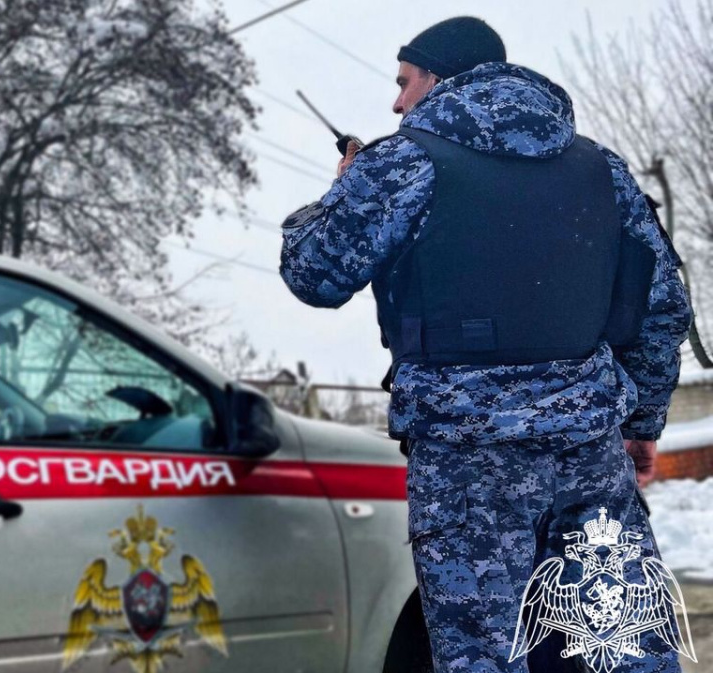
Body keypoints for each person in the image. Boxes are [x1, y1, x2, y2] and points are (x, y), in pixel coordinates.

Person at [279, 16, 692, 673]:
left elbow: (314, 273)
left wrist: (344, 189)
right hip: (590, 457)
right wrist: (641, 423)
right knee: (621, 653)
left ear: (440, 77)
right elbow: (662, 303)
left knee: (486, 658)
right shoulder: (601, 169)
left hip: (466, 468)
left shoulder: (402, 163)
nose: (397, 103)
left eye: (404, 82)